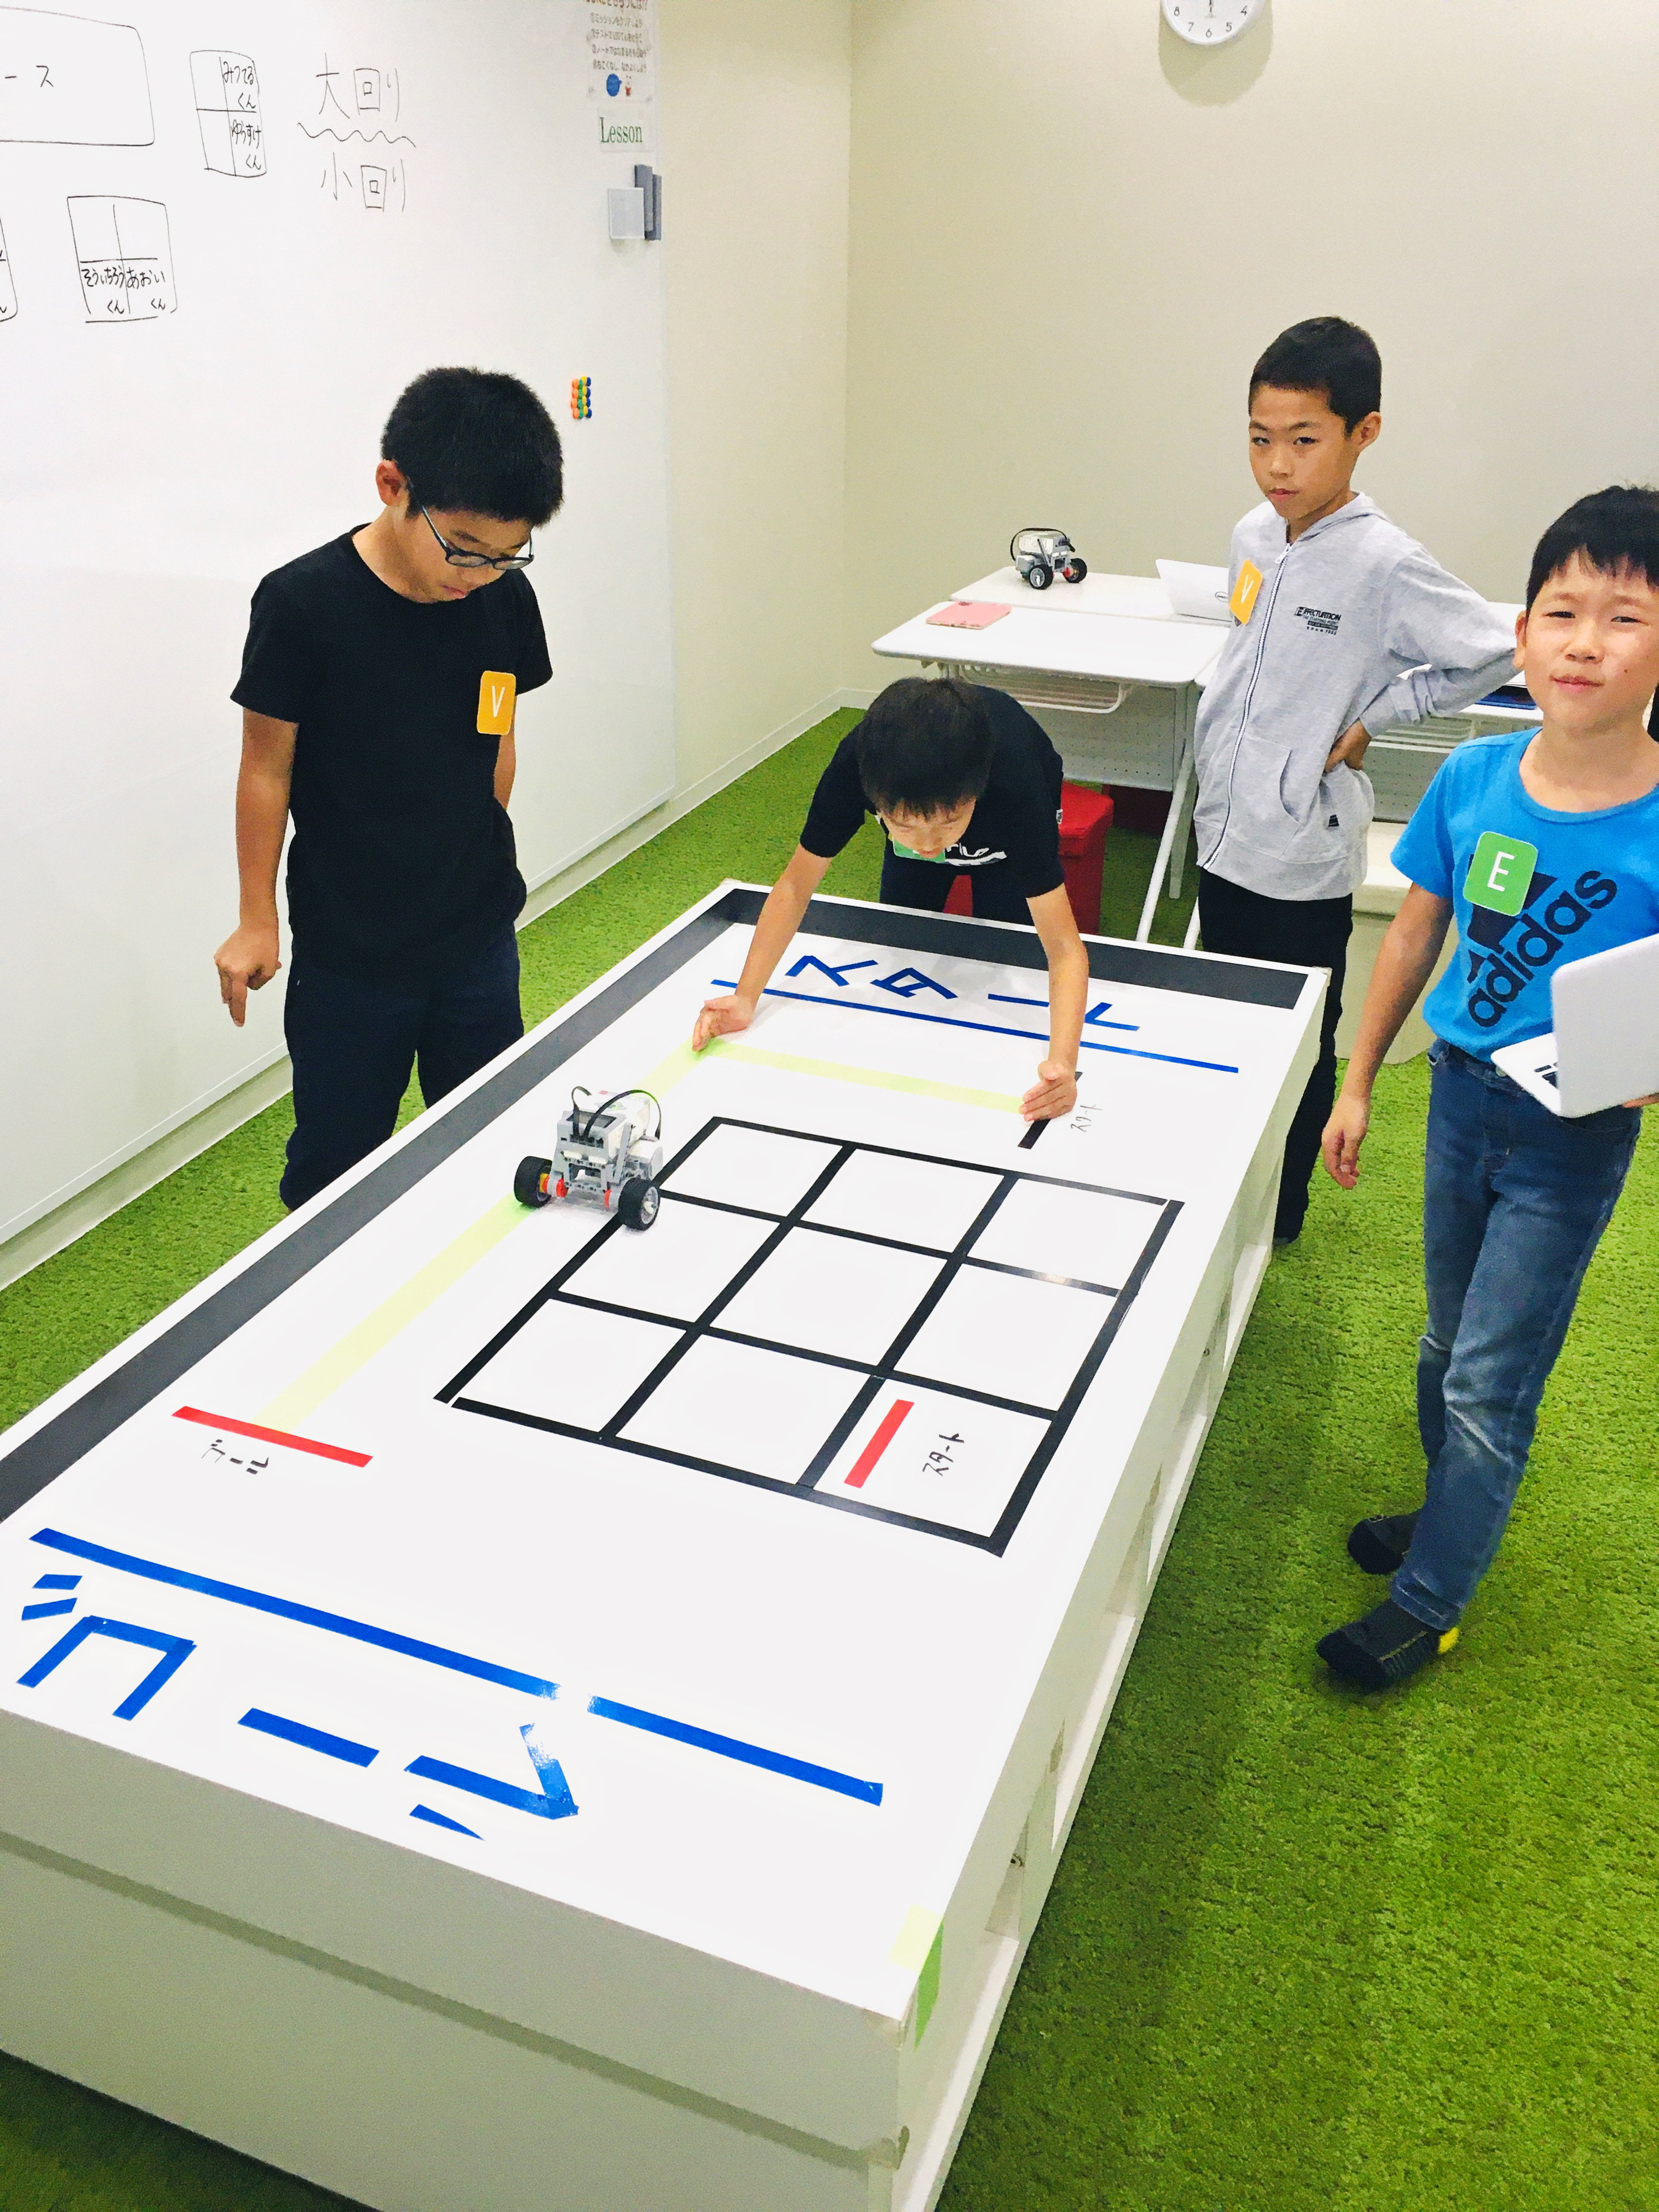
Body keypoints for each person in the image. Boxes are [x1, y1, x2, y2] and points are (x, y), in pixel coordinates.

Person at [1316, 486, 1659, 1689]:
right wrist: (1358, 1081)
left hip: (1573, 1136)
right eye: (1561, 611)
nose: (1584, 642)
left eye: (1625, 617)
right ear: (1520, 634)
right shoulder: (1473, 779)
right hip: (1460, 1100)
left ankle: (1432, 1598)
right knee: (1442, 1345)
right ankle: (1447, 1508)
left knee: (1488, 1380)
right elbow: (1413, 935)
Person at [1193, 315, 1516, 1244]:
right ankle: (1218, 1179)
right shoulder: (1253, 533)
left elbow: (1493, 651)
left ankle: (1279, 1215)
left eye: (1304, 441)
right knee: (1224, 1016)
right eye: (1260, 439)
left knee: (1299, 1035)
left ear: (1363, 432)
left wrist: (1378, 716)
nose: (1277, 465)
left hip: (1301, 850)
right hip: (1222, 827)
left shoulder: (1385, 562)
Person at [213, 366, 563, 1211]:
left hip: (477, 936)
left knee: (492, 1136)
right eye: (463, 548)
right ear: (393, 486)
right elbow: (265, 768)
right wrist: (257, 917)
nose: (479, 573)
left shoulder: (503, 600)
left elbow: (498, 733)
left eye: (505, 554)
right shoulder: (303, 606)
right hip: (351, 954)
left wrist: (468, 846)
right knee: (337, 1168)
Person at [692, 676, 1088, 1121]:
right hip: (931, 818)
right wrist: (745, 997)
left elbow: (1063, 947)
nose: (929, 844)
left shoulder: (1018, 785)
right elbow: (795, 886)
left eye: (948, 824)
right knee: (903, 945)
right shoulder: (856, 766)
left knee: (1004, 951)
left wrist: (1063, 1065)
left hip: (1003, 834)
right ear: (876, 801)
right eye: (904, 825)